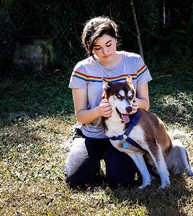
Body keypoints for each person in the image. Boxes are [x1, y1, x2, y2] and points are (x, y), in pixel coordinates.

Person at [64, 16, 152, 188]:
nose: (105, 51)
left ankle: (115, 161)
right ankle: (90, 161)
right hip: (92, 135)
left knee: (121, 181)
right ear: (89, 47)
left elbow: (145, 103)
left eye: (108, 44)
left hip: (123, 134)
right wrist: (98, 111)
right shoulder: (82, 69)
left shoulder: (134, 62)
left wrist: (135, 104)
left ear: (116, 39)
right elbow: (81, 116)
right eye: (97, 48)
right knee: (76, 180)